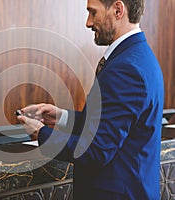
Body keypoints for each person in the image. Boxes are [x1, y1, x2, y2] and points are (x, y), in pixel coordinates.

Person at [17, 0, 164, 199]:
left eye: (93, 13)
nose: (88, 22)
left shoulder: (126, 68)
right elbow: (106, 126)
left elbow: (96, 151)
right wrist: (61, 117)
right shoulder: (138, 56)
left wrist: (41, 133)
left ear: (118, 10)